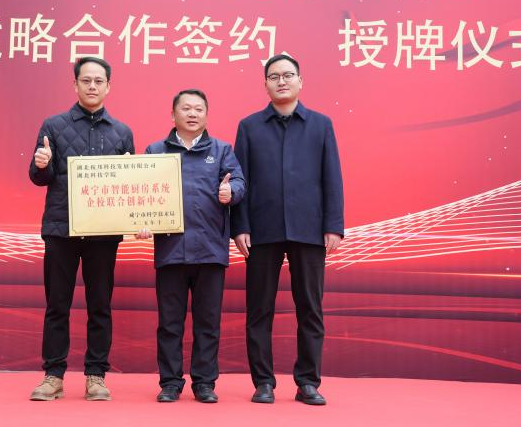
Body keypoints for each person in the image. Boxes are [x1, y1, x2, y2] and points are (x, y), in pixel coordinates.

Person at [231, 54, 344, 406]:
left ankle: (308, 382)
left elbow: (332, 177)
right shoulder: (249, 127)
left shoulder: (321, 125)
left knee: (310, 308)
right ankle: (263, 382)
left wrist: (333, 225)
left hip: (309, 229)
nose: (281, 81)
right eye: (274, 76)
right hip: (261, 231)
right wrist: (240, 226)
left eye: (288, 75)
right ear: (265, 84)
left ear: (300, 81)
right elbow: (240, 180)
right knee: (259, 309)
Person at [28, 56, 135, 401]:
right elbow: (39, 177)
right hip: (62, 229)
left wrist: (138, 215)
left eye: (98, 81)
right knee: (57, 305)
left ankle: (96, 376)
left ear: (108, 87)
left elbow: (129, 186)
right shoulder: (53, 125)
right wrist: (41, 164)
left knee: (99, 305)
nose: (92, 86)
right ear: (74, 84)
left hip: (103, 233)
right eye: (85, 80)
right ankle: (53, 375)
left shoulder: (122, 132)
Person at [136, 89, 244, 403]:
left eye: (198, 109)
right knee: (170, 323)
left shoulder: (222, 150)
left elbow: (239, 181)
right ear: (173, 115)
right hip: (171, 251)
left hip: (210, 250)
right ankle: (170, 382)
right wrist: (141, 220)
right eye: (186, 108)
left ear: (206, 115)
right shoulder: (156, 151)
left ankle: (204, 383)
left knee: (207, 323)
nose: (192, 114)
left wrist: (231, 193)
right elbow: (141, 193)